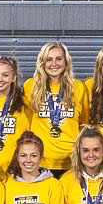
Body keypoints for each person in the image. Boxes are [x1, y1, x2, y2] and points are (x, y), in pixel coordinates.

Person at [24, 41, 89, 175]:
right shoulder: (31, 86)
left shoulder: (79, 88)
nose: (54, 64)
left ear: (66, 62)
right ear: (42, 62)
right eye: (49, 59)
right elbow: (27, 121)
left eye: (59, 59)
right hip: (40, 162)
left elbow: (83, 122)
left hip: (72, 161)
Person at [4, 131, 66, 204]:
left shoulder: (53, 185)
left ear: (40, 157)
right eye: (23, 155)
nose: (28, 160)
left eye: (33, 155)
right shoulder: (6, 185)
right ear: (17, 157)